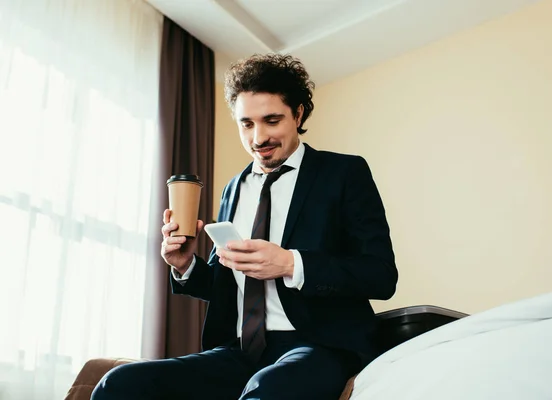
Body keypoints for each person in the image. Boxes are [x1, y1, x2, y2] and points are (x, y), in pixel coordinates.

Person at [92, 53, 398, 400]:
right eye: (246, 124)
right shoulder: (233, 188)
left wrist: (289, 264)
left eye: (271, 120)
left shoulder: (344, 173)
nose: (258, 137)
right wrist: (185, 265)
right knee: (118, 383)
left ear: (298, 114)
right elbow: (226, 284)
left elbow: (381, 275)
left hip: (318, 345)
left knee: (266, 391)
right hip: (242, 351)